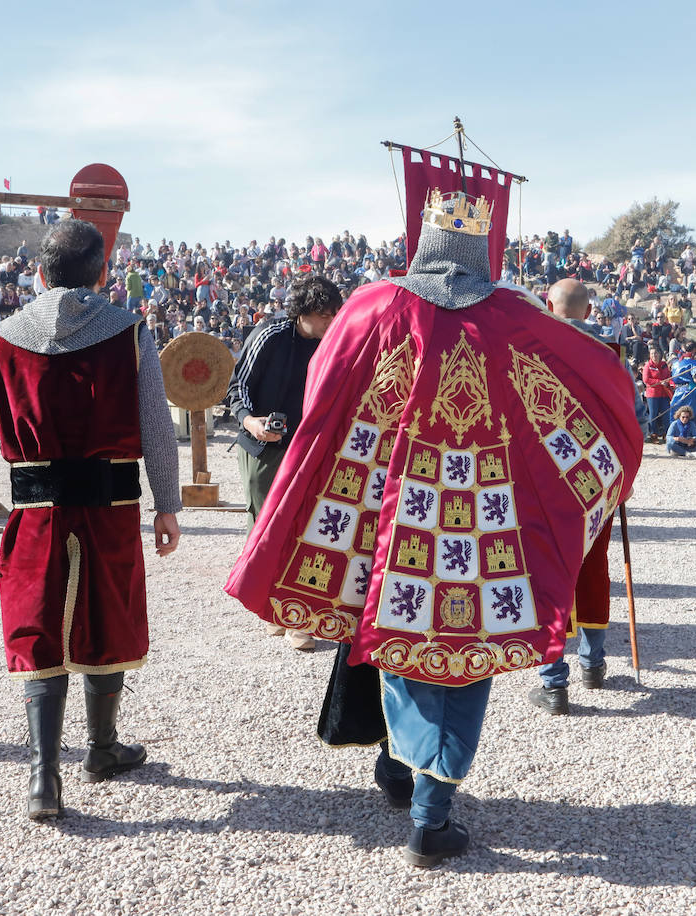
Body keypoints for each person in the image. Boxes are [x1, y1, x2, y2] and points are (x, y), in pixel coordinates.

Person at [225, 189, 641, 866]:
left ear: (422, 239)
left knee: (396, 633)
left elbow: (323, 394)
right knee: (466, 646)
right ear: (480, 246)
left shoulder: (374, 303)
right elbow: (581, 377)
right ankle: (431, 811)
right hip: (488, 516)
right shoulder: (516, 313)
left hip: (398, 506)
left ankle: (402, 769)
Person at [0, 220, 182, 821]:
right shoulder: (129, 334)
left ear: (39, 273)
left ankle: (44, 779)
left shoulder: (5, 337)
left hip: (34, 511)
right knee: (107, 617)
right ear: (102, 273)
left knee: (38, 626)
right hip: (108, 509)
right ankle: (102, 751)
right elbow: (156, 427)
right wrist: (168, 504)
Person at [527, 279, 629, 715]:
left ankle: (553, 683)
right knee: (593, 568)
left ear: (549, 306)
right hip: (599, 477)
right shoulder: (612, 355)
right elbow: (633, 420)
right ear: (589, 313)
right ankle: (593, 664)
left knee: (549, 573)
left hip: (549, 480)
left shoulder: (532, 348)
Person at [226, 275, 344, 652]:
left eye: (334, 315)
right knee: (263, 526)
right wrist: (251, 422)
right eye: (325, 315)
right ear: (303, 312)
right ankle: (272, 609)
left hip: (309, 447)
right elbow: (237, 388)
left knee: (303, 526)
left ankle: (296, 617)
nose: (331, 322)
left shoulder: (335, 340)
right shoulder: (269, 335)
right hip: (262, 447)